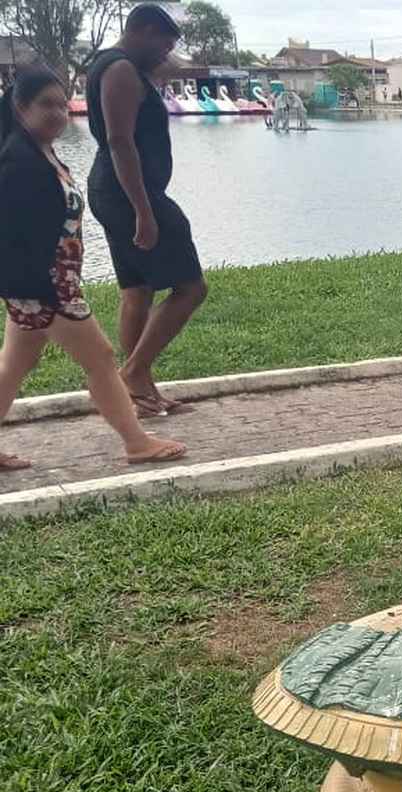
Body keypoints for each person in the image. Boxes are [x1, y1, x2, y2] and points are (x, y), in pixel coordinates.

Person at [0, 67, 187, 470]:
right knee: (101, 357)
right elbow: (11, 236)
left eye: (62, 105)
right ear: (20, 108)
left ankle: (137, 440)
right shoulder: (18, 162)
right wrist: (39, 289)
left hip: (47, 283)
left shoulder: (39, 151)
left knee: (14, 364)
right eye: (45, 105)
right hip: (45, 287)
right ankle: (137, 442)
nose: (57, 113)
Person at [86, 3, 207, 418]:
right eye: (163, 44)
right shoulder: (120, 70)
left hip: (114, 190)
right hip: (129, 193)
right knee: (191, 288)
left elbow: (170, 66)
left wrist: (169, 57)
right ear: (142, 30)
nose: (165, 54)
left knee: (137, 290)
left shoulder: (115, 64)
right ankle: (133, 373)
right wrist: (144, 210)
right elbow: (120, 141)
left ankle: (140, 389)